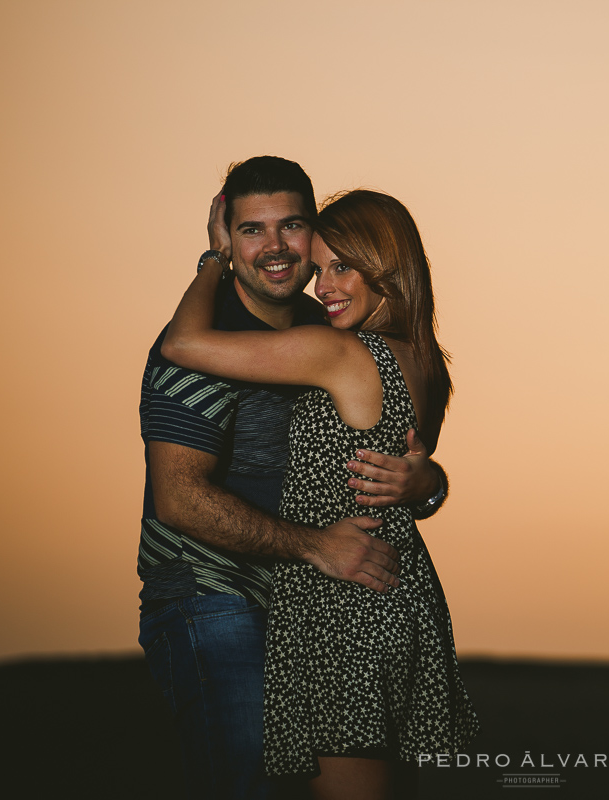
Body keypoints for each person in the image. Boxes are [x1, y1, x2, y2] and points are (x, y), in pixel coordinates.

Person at [138, 156, 449, 800]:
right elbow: (178, 499)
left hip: (328, 598)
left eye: (293, 228)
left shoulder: (332, 334)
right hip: (214, 592)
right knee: (249, 773)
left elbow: (397, 470)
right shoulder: (221, 336)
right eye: (250, 231)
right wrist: (317, 544)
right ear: (229, 237)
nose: (276, 249)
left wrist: (428, 482)